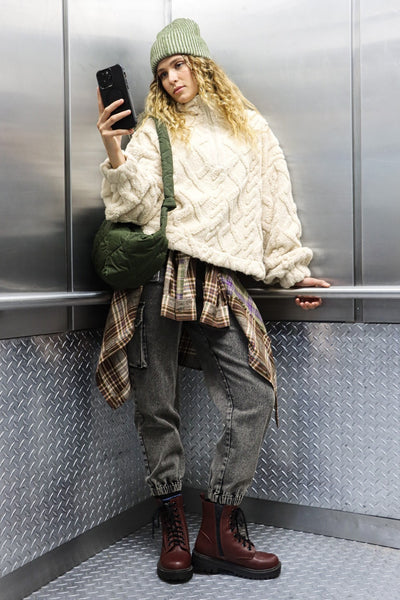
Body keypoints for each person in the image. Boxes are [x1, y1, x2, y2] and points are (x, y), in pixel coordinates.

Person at [96, 18, 330, 584]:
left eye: (179, 64)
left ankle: (218, 529)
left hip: (219, 278)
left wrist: (292, 274)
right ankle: (173, 525)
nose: (172, 78)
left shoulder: (249, 127)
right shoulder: (155, 130)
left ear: (201, 64)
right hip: (160, 274)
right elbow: (130, 208)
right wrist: (115, 151)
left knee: (254, 393)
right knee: (157, 404)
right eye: (162, 72)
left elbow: (275, 206)